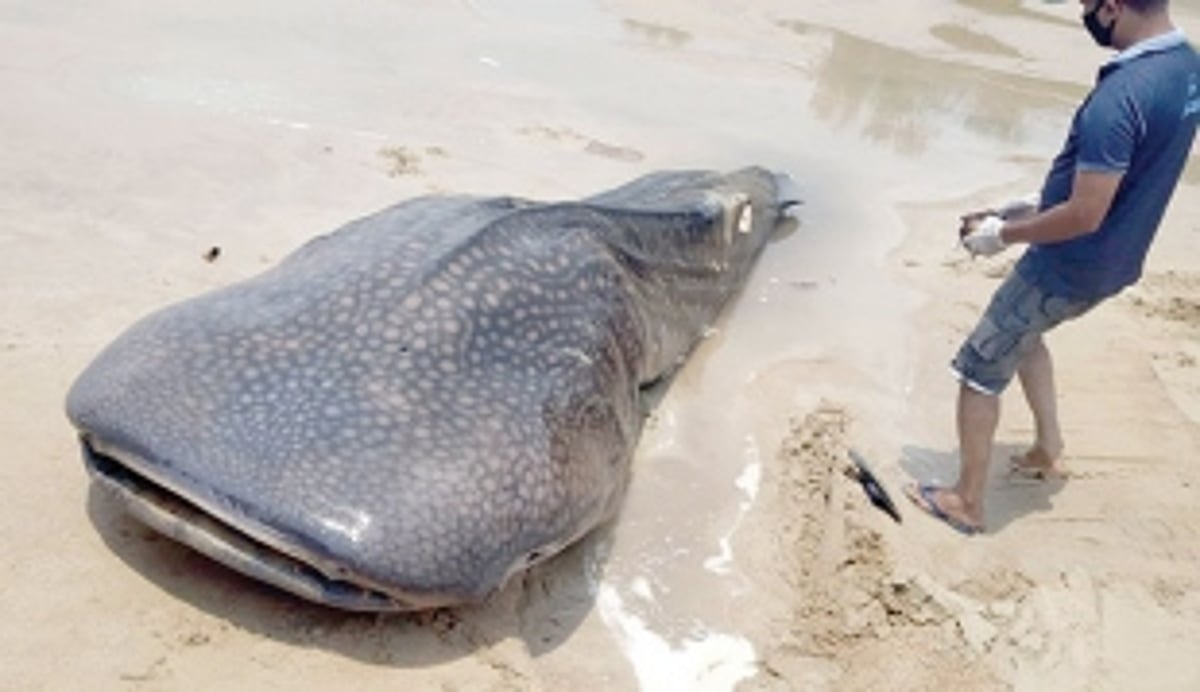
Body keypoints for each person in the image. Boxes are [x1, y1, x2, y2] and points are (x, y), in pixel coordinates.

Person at [905, 0, 1200, 535]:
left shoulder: (1121, 95)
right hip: (1117, 259)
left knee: (977, 368)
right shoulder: (1185, 67)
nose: (1082, 12)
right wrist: (1017, 207)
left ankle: (966, 502)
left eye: (1087, 4)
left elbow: (1086, 213)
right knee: (1026, 337)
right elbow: (1113, 180)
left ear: (1111, 8)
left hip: (1068, 266)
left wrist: (1003, 235)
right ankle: (1048, 449)